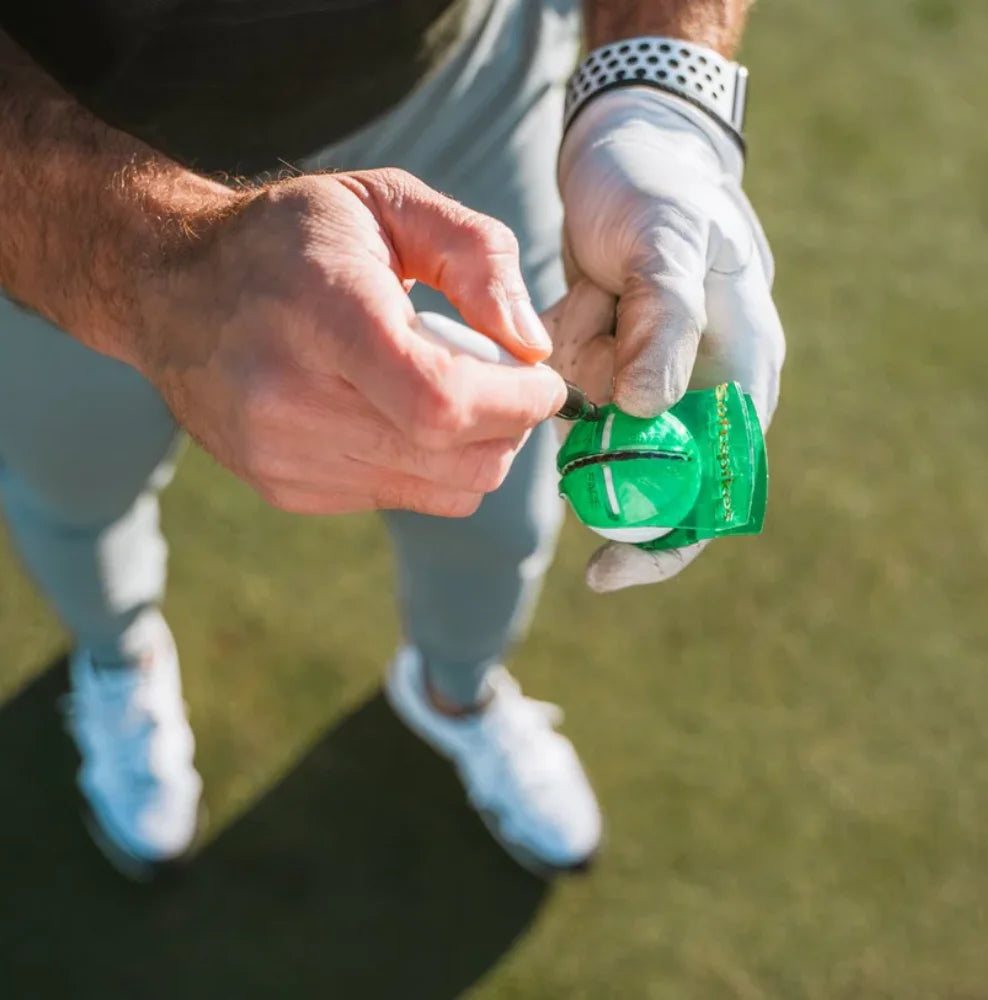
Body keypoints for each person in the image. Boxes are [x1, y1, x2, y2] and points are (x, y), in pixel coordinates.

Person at [0, 0, 785, 878]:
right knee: (73, 490)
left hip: (460, 91)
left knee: (500, 511)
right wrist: (147, 260)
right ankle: (118, 654)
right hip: (58, 155)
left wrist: (657, 95)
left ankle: (455, 691)